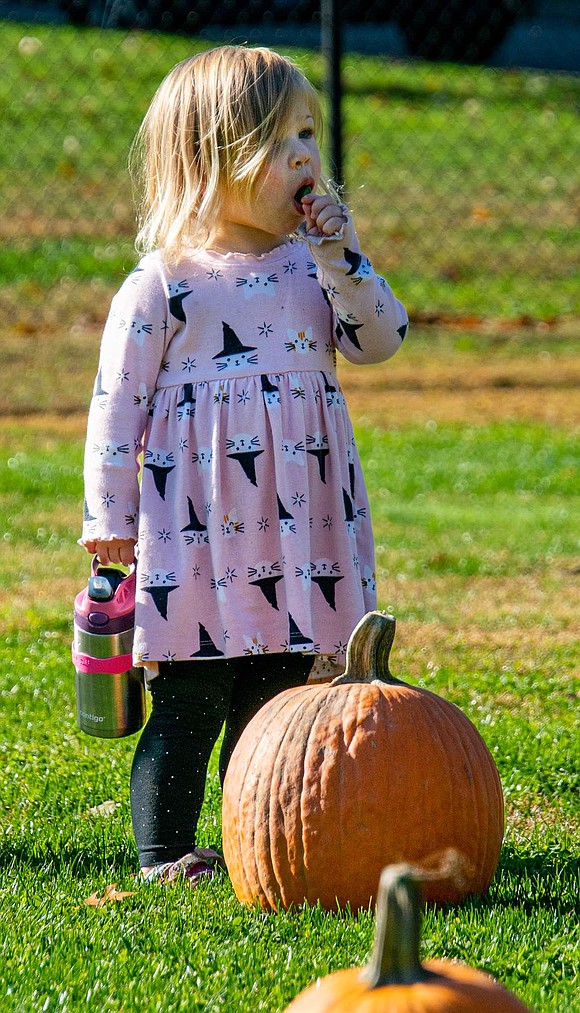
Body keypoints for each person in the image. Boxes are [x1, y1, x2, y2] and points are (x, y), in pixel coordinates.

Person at [80, 45, 408, 886]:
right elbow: (116, 409)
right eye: (281, 140)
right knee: (190, 700)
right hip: (197, 544)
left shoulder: (314, 271)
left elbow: (381, 340)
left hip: (296, 531)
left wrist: (345, 257)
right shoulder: (163, 287)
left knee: (273, 696)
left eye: (311, 135)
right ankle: (162, 853)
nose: (307, 157)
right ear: (212, 160)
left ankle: (250, 846)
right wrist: (108, 522)